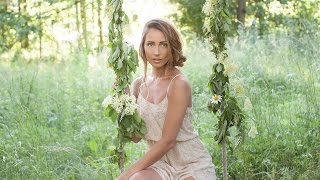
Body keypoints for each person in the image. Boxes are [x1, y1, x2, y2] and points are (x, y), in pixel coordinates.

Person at [117, 19, 216, 180]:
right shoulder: (138, 85)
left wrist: (125, 175)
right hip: (161, 165)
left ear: (172, 47)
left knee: (129, 177)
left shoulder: (178, 84)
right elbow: (135, 138)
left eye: (163, 44)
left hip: (191, 164)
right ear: (143, 47)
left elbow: (168, 141)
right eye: (150, 44)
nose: (156, 52)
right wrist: (123, 100)